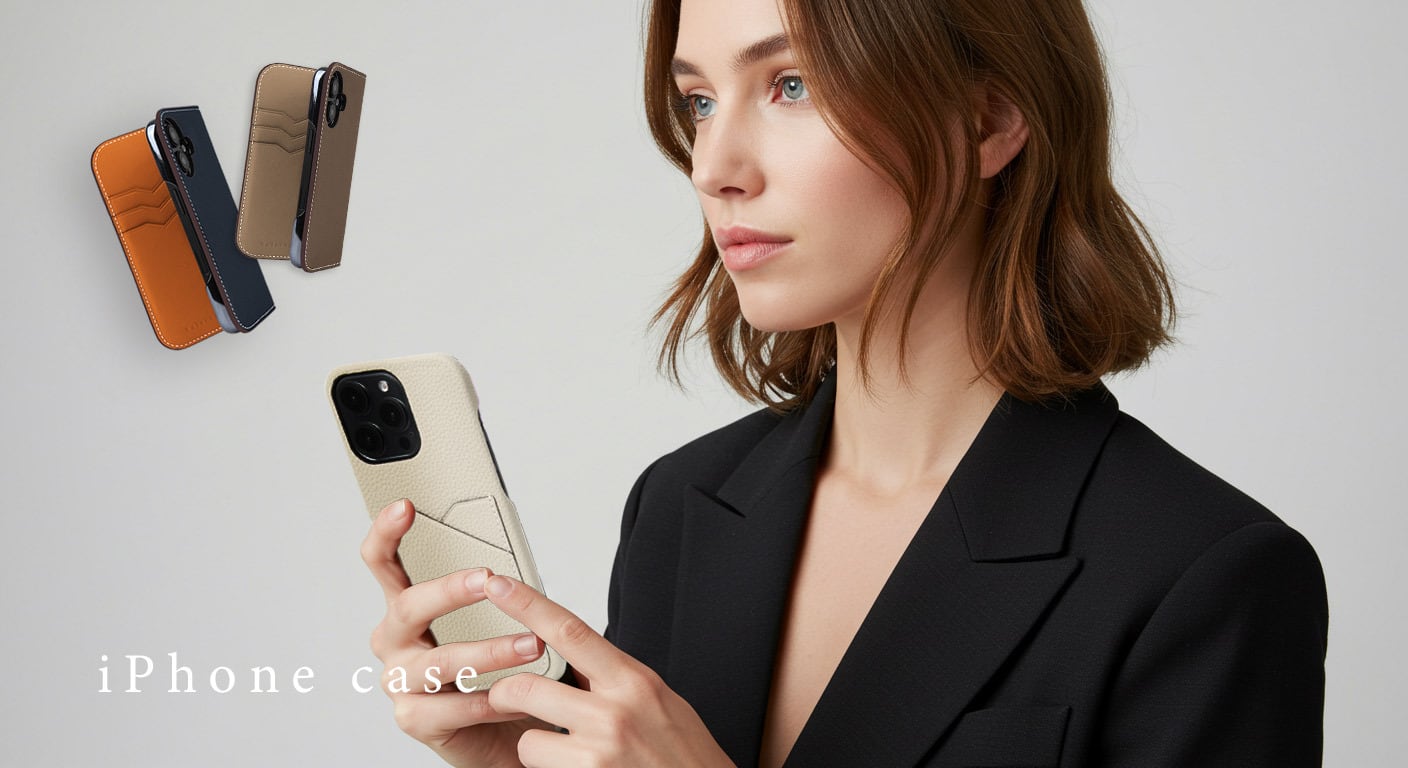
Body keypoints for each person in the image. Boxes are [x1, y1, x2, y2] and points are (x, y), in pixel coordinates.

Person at [359, 0, 1329, 765]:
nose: (714, 166)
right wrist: (514, 759)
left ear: (990, 118)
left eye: (791, 85)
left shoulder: (1205, 575)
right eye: (699, 102)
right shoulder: (682, 506)